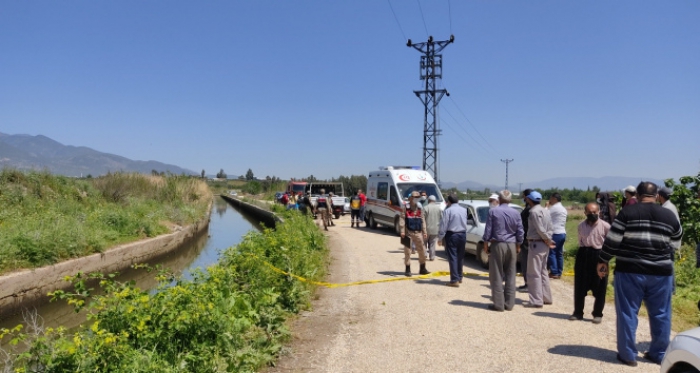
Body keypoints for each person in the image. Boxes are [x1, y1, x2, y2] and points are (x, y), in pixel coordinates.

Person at [597, 182, 682, 367]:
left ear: (638, 194)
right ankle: (659, 353)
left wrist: (603, 260)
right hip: (661, 273)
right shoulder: (668, 214)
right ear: (657, 195)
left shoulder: (627, 213)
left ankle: (628, 355)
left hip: (630, 271)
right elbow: (676, 243)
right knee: (661, 313)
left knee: (628, 312)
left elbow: (612, 240)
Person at [482, 190, 524, 311]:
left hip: (497, 244)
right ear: (510, 200)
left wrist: (486, 243)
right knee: (511, 274)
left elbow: (488, 229)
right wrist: (518, 245)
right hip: (511, 244)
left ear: (499, 199)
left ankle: (498, 304)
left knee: (496, 274)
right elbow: (520, 231)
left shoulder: (493, 211)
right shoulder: (516, 213)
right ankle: (509, 303)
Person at [570, 202, 611, 323]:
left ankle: (598, 313)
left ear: (599, 212)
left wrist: (605, 259)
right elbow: (580, 240)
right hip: (584, 254)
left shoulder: (605, 226)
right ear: (585, 213)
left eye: (594, 212)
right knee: (580, 285)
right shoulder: (581, 226)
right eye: (589, 212)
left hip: (600, 256)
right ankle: (578, 312)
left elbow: (610, 244)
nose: (592, 214)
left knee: (600, 285)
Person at [524, 191, 554, 308]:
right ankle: (546, 297)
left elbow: (539, 229)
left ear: (529, 200)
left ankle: (536, 300)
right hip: (544, 244)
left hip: (536, 243)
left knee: (533, 273)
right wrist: (548, 239)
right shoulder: (545, 211)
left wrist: (546, 239)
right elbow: (550, 227)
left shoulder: (533, 212)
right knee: (543, 271)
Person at [438, 194, 468, 286]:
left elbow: (444, 225)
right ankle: (459, 277)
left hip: (452, 235)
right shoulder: (464, 210)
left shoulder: (448, 211)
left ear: (449, 202)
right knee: (460, 256)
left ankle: (454, 280)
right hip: (462, 234)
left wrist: (440, 237)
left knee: (453, 257)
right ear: (458, 201)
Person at [399, 191, 430, 277]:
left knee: (422, 250)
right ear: (411, 198)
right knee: (407, 251)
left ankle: (422, 268)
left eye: (418, 197)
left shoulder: (419, 208)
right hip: (408, 233)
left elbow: (422, 220)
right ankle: (407, 269)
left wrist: (425, 232)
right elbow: (402, 219)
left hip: (418, 232)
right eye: (415, 197)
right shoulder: (406, 207)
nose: (417, 199)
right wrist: (402, 230)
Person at [547, 193, 567, 279]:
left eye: (550, 198)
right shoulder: (563, 208)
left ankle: (554, 272)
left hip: (555, 233)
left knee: (552, 253)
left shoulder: (554, 208)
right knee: (559, 254)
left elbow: (545, 215)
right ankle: (559, 272)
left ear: (554, 199)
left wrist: (546, 206)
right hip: (562, 232)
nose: (549, 200)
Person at [517, 189, 533, 293]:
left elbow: (525, 225)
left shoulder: (529, 210)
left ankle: (528, 284)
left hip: (527, 240)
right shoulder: (534, 209)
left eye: (524, 196)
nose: (523, 198)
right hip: (531, 239)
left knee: (526, 263)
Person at [423, 195, 442, 261]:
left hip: (426, 229)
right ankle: (432, 257)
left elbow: (422, 219)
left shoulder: (425, 208)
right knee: (432, 244)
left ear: (428, 200)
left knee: (424, 243)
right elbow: (441, 219)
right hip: (435, 229)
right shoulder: (439, 209)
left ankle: (424, 255)